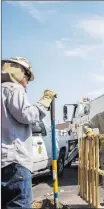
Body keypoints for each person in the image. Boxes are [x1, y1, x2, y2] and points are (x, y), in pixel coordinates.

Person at [1, 56, 57, 208]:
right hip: (14, 160)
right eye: (26, 76)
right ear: (20, 72)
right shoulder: (13, 88)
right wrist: (44, 103)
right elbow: (27, 115)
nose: (26, 82)